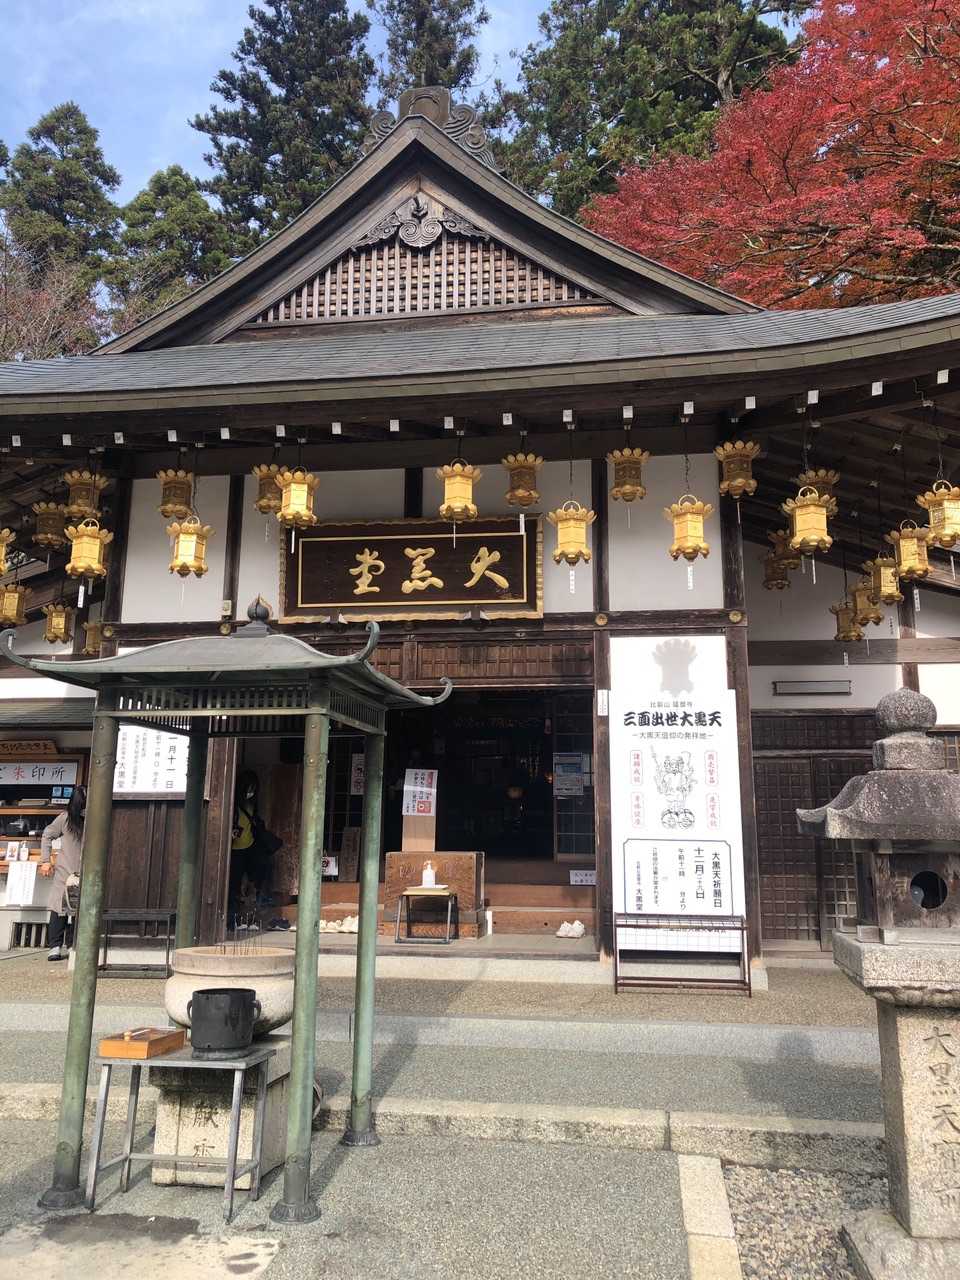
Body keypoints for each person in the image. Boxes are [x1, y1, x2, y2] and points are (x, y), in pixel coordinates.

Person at [39, 785, 86, 962]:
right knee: (59, 908)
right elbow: (47, 835)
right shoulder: (65, 818)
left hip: (86, 873)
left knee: (79, 910)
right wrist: (45, 860)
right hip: (65, 871)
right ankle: (55, 946)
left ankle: (73, 945)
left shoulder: (94, 818)